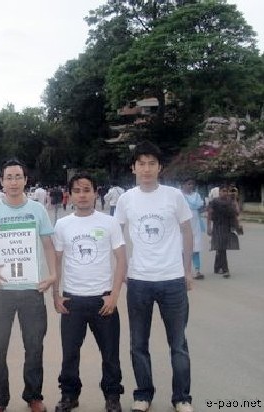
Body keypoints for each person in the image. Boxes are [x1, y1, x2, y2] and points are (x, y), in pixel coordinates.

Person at [0, 159, 57, 412]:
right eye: (9, 177)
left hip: (31, 290)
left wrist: (52, 275)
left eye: (18, 176)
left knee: (34, 346)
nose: (14, 182)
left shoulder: (37, 210)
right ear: (2, 182)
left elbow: (48, 245)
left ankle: (34, 396)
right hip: (0, 292)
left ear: (26, 180)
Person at [114, 141, 194, 412]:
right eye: (141, 164)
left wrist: (187, 270)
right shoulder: (126, 199)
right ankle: (143, 394)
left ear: (160, 167)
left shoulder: (174, 196)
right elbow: (116, 237)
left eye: (151, 163)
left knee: (178, 344)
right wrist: (123, 270)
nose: (146, 169)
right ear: (133, 168)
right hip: (139, 281)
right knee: (138, 343)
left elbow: (187, 232)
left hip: (172, 280)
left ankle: (182, 398)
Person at [52, 172, 127, 412]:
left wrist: (114, 295)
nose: (82, 195)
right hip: (72, 300)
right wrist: (56, 294)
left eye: (87, 190)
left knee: (110, 353)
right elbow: (56, 261)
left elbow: (121, 259)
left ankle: (112, 395)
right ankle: (69, 395)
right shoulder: (62, 225)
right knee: (70, 354)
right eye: (77, 191)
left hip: (102, 300)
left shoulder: (109, 223)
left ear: (96, 193)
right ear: (70, 195)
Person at [206, 184, 242, 278]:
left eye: (226, 191)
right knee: (222, 248)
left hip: (227, 227)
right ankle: (226, 270)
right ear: (219, 192)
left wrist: (235, 200)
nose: (225, 193)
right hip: (217, 227)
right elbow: (209, 214)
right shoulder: (214, 202)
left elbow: (237, 212)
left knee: (221, 248)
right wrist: (208, 227)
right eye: (223, 191)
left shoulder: (230, 201)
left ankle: (217, 267)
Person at [181, 178, 205, 279]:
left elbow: (200, 205)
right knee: (183, 249)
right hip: (183, 224)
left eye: (192, 184)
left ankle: (197, 270)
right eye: (188, 184)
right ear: (183, 185)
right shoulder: (180, 196)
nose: (190, 186)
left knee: (196, 248)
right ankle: (183, 271)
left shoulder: (197, 195)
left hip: (195, 224)